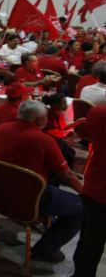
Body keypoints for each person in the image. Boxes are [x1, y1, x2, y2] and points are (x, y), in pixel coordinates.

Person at [0, 100, 83, 263]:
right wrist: (86, 193)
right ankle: (46, 249)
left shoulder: (1, 129)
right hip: (29, 200)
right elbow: (67, 175)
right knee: (81, 206)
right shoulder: (44, 140)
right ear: (40, 120)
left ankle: (50, 218)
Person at [72, 106, 106, 277]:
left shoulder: (97, 113)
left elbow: (85, 131)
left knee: (89, 240)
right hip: (98, 189)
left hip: (95, 188)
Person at [0, 82, 31, 151]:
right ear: (22, 97)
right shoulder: (20, 114)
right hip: (8, 148)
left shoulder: (0, 108)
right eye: (26, 94)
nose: (28, 95)